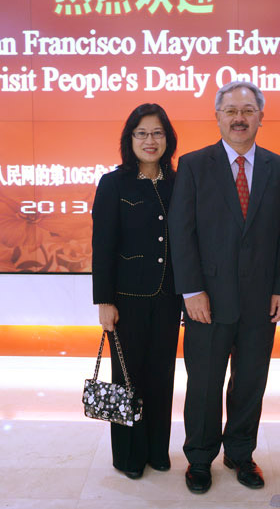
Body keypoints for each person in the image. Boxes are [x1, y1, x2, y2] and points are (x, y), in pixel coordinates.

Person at [168, 80, 280, 494]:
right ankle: (200, 458)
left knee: (250, 382)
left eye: (248, 110)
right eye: (231, 110)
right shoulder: (193, 164)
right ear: (217, 116)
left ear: (261, 115)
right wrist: (191, 291)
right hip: (207, 299)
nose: (239, 118)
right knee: (204, 383)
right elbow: (180, 232)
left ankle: (241, 454)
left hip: (262, 301)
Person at [91, 103, 184, 480]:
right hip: (126, 300)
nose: (150, 140)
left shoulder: (179, 182)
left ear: (169, 139)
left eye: (157, 133)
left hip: (168, 297)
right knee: (127, 378)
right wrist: (104, 301)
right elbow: (103, 246)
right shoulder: (114, 184)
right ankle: (129, 456)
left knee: (161, 376)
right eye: (142, 133)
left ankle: (158, 451)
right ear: (129, 139)